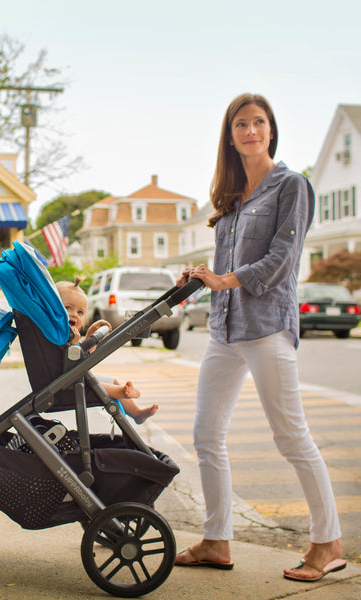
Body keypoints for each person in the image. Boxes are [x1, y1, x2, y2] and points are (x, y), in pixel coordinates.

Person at [173, 93, 345, 582]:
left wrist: (226, 279)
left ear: (271, 131)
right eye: (241, 124)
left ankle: (328, 542)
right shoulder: (229, 200)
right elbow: (225, 269)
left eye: (259, 122)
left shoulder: (292, 186)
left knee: (291, 436)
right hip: (224, 330)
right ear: (230, 136)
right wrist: (202, 277)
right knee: (207, 435)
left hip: (267, 326)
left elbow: (281, 261)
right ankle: (216, 540)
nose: (251, 130)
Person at [56, 279, 158, 424]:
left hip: (72, 376)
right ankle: (121, 392)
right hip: (66, 382)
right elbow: (75, 360)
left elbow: (84, 356)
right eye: (68, 308)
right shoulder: (59, 334)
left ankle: (136, 413)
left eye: (80, 312)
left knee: (112, 381)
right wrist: (74, 342)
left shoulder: (69, 333)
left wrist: (90, 336)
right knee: (98, 384)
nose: (75, 315)